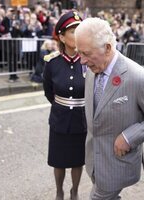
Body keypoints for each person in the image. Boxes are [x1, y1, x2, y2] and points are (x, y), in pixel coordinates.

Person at [74, 17, 144, 200]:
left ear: (107, 48)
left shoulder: (137, 76)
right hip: (95, 162)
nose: (81, 61)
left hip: (118, 164)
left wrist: (130, 137)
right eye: (79, 53)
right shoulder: (92, 68)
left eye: (86, 53)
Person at [43, 11, 87, 200]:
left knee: (78, 161)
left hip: (81, 119)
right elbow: (48, 92)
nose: (77, 35)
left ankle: (74, 191)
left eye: (80, 30)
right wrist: (62, 106)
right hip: (59, 119)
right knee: (59, 161)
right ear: (61, 36)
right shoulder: (52, 63)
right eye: (72, 31)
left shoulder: (89, 61)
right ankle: (59, 190)